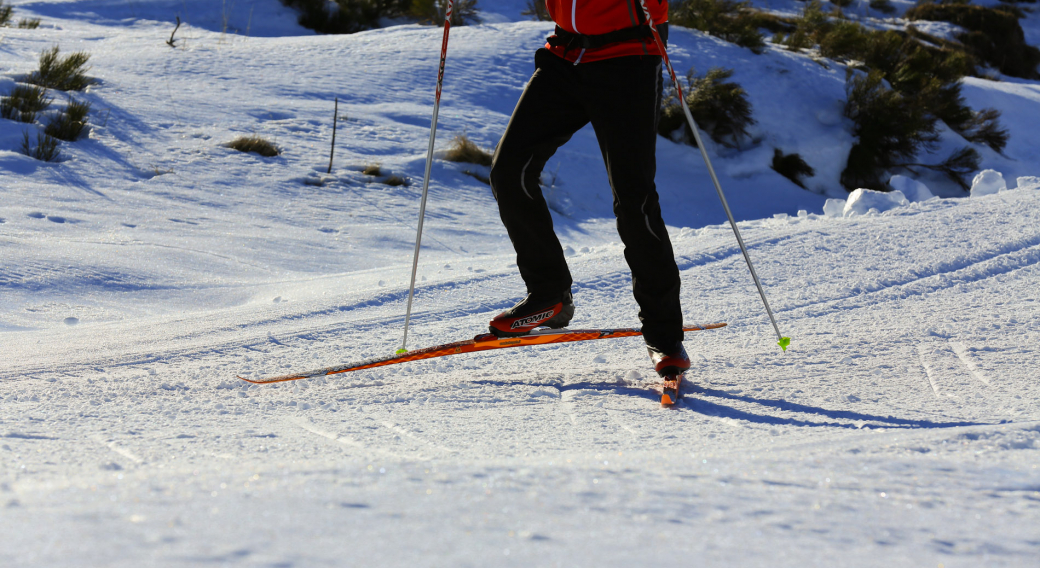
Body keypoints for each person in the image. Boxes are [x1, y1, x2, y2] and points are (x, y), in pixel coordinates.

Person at [487, 0, 689, 378]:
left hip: (629, 55)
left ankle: (664, 336)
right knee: (509, 172)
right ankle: (549, 296)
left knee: (634, 199)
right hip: (565, 54)